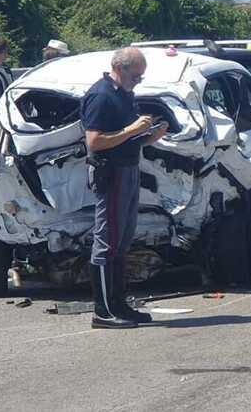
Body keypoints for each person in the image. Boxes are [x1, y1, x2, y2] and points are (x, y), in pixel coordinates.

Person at [80, 47, 169, 329]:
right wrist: (132, 130)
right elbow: (94, 142)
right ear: (119, 68)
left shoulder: (124, 94)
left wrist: (149, 136)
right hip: (112, 174)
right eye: (136, 76)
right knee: (108, 240)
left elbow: (124, 139)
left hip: (129, 169)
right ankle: (103, 311)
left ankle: (119, 303)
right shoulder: (101, 95)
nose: (138, 81)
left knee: (122, 241)